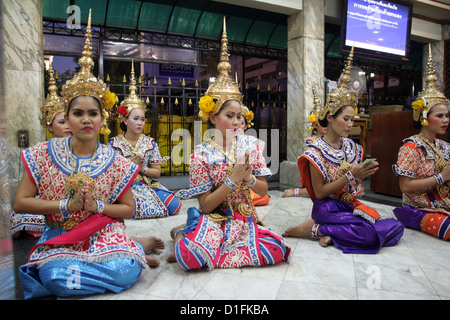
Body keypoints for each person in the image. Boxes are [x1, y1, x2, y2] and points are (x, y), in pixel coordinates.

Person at [13, 11, 163, 299]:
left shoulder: (115, 161)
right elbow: (21, 203)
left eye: (92, 113)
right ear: (66, 119)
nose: (86, 120)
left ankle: (128, 250)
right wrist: (65, 205)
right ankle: (132, 248)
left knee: (123, 270)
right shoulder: (42, 154)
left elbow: (128, 209)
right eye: (77, 113)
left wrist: (97, 207)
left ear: (102, 119)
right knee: (57, 278)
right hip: (60, 237)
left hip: (103, 233)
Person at [166, 18, 290, 270]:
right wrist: (232, 180)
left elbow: (264, 191)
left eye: (239, 116)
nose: (236, 121)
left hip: (243, 219)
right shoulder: (200, 154)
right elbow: (205, 204)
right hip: (214, 217)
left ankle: (192, 238)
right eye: (229, 116)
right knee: (192, 259)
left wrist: (249, 180)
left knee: (278, 250)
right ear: (213, 117)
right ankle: (185, 235)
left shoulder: (251, 146)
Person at [283, 47, 404, 253]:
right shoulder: (316, 151)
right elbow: (320, 193)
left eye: (352, 119)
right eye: (345, 119)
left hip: (349, 204)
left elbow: (353, 186)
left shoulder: (353, 148)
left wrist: (361, 174)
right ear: (329, 117)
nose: (350, 124)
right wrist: (351, 175)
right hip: (327, 208)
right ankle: (315, 229)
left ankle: (331, 233)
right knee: (368, 234)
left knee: (396, 227)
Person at [108, 63, 181, 219]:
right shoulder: (114, 144)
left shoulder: (150, 143)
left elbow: (157, 172)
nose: (140, 122)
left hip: (146, 184)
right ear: (125, 121)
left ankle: (132, 209)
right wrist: (129, 168)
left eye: (142, 119)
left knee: (175, 205)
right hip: (124, 187)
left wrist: (142, 168)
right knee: (124, 208)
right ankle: (129, 208)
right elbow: (110, 174)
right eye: (136, 119)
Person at [393, 45, 450, 241]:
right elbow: (405, 187)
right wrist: (442, 177)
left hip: (443, 202)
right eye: (440, 115)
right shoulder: (411, 146)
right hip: (418, 208)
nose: (446, 120)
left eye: (447, 116)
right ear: (424, 117)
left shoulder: (444, 146)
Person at [10, 63, 71, 239]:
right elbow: (21, 201)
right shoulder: (39, 153)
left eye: (69, 120)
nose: (67, 126)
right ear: (49, 125)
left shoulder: (82, 148)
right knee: (22, 216)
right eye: (61, 122)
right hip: (50, 208)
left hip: (79, 208)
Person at [282, 85, 326, 198]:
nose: (326, 126)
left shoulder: (331, 140)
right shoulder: (311, 142)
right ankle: (296, 192)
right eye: (322, 123)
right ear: (315, 125)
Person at [238, 106, 270, 206]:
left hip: (249, 187)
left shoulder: (253, 144)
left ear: (246, 126)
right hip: (224, 191)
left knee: (264, 197)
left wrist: (248, 177)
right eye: (230, 117)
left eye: (241, 123)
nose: (236, 124)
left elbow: (262, 186)